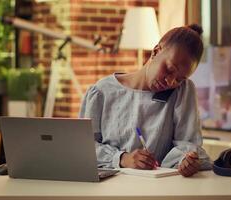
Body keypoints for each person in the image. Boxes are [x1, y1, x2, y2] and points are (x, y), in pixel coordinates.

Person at [79, 24, 212, 177]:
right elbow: (85, 147)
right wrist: (123, 158)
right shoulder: (102, 91)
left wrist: (186, 161)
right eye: (169, 70)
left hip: (161, 188)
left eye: (179, 79)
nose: (170, 82)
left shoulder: (182, 90)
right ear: (156, 51)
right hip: (110, 189)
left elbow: (188, 144)